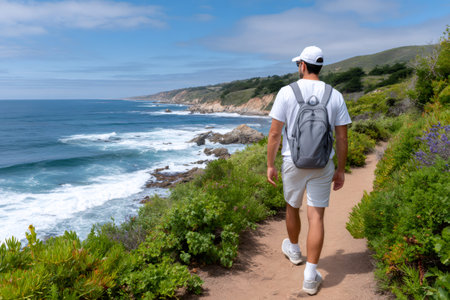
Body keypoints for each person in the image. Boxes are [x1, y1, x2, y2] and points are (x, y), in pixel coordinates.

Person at [266, 46, 351, 295]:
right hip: (324, 163)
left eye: (298, 64)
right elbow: (342, 138)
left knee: (292, 206)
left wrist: (270, 165)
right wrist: (341, 170)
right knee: (317, 217)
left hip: (293, 161)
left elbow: (274, 134)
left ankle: (293, 251)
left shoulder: (287, 92)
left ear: (302, 65)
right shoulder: (334, 95)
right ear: (319, 66)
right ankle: (310, 276)